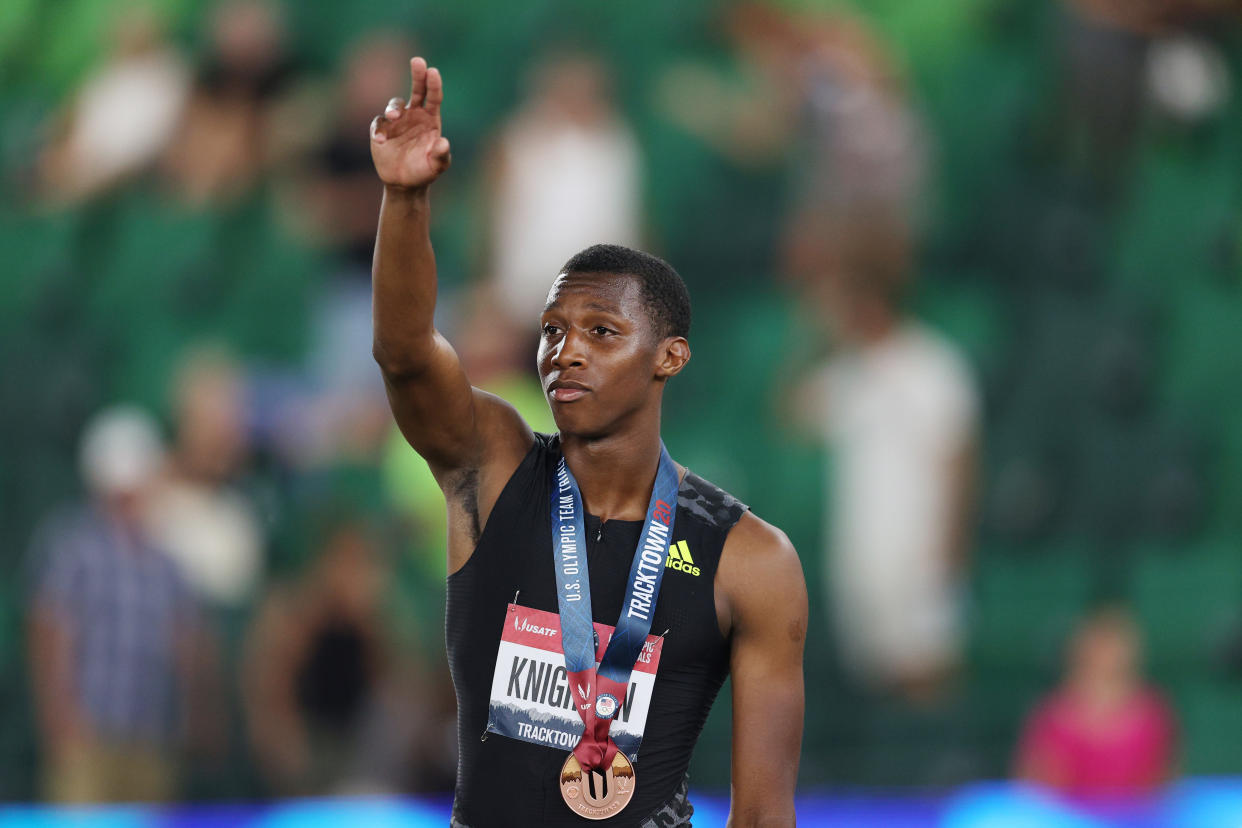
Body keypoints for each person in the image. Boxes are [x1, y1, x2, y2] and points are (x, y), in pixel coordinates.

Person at [369, 57, 806, 826]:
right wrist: (405, 199)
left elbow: (765, 816)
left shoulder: (751, 560)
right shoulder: (494, 467)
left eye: (601, 333)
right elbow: (406, 357)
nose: (564, 352)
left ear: (669, 356)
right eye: (551, 332)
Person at [25, 406, 215, 803]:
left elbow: (186, 640)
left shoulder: (166, 560)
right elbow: (48, 630)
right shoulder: (73, 547)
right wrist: (59, 717)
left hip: (150, 736)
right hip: (87, 736)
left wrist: (193, 715)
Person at [1014, 605, 1178, 796]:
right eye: (1101, 645)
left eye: (1115, 645)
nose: (1108, 655)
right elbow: (1036, 790)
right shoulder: (1054, 714)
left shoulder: (1154, 711)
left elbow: (1165, 785)